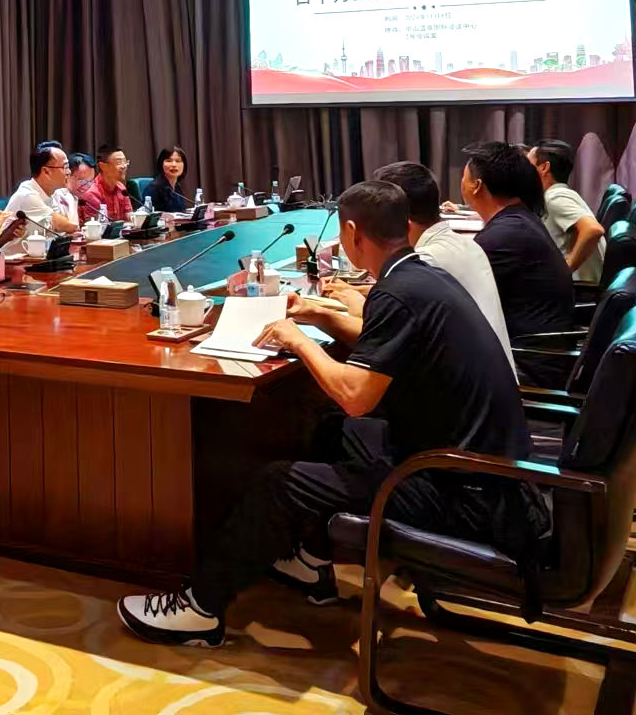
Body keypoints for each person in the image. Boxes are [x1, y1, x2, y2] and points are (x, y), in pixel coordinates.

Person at [118, 180, 542, 646]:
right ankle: (311, 560)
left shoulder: (398, 293)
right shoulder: (419, 277)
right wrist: (319, 316)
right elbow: (385, 347)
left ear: (353, 233)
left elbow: (356, 395)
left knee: (279, 481)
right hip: (486, 470)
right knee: (332, 431)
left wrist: (299, 341)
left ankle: (200, 608)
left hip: (462, 488)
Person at [371, 161, 515, 374]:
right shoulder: (466, 244)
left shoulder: (424, 262)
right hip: (495, 382)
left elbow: (386, 331)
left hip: (466, 388)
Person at [463, 140, 575, 339]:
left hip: (525, 351)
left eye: (464, 177)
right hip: (536, 341)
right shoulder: (518, 219)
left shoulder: (504, 236)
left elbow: (456, 292)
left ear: (476, 186)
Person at [527, 139, 607, 286]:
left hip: (578, 288)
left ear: (544, 167)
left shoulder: (556, 198)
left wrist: (566, 268)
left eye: (528, 165)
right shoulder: (562, 193)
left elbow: (593, 230)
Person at [2, 144, 80, 255]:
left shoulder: (51, 193)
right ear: (46, 171)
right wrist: (72, 198)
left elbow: (65, 230)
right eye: (65, 167)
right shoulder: (28, 195)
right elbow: (69, 225)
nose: (69, 172)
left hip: (35, 258)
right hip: (11, 260)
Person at [76, 144, 135, 223]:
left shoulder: (122, 189)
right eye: (119, 163)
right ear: (102, 166)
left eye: (125, 162)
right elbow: (96, 227)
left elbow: (129, 218)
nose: (124, 166)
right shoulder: (92, 194)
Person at [147, 146, 191, 213]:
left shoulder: (177, 187)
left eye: (178, 161)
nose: (174, 165)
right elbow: (146, 215)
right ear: (161, 164)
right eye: (169, 161)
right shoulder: (154, 188)